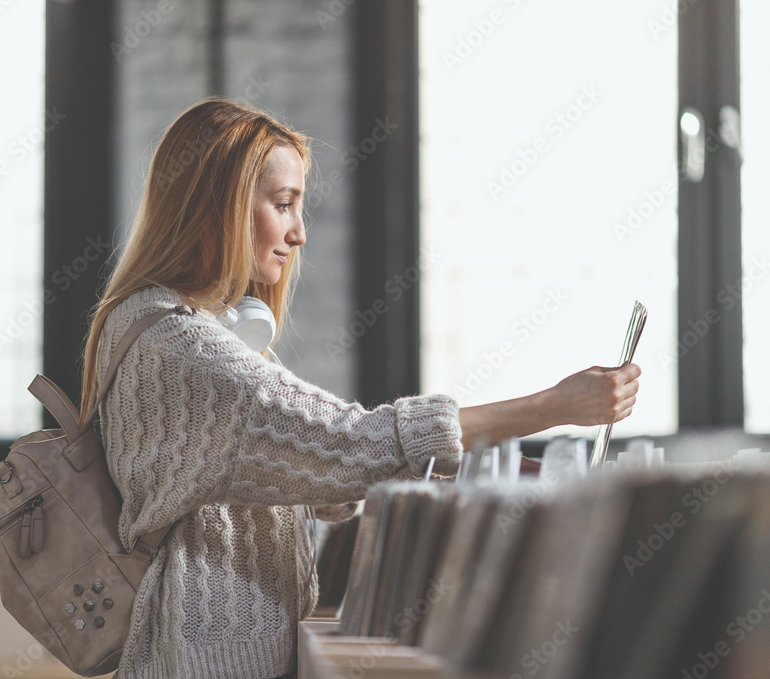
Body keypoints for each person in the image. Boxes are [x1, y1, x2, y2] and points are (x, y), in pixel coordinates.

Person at [77, 99, 640, 679]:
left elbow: (327, 482)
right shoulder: (181, 347)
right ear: (218, 206)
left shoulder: (152, 327)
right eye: (283, 205)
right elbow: (350, 445)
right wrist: (553, 407)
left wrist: (483, 467)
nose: (298, 233)